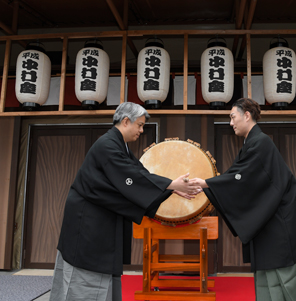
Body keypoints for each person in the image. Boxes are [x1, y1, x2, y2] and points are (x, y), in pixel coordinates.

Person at [50, 102, 201, 301]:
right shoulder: (108, 145)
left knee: (103, 272)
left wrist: (170, 188)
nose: (141, 130)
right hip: (88, 221)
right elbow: (130, 178)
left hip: (101, 217)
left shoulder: (119, 145)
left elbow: (139, 174)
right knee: (85, 276)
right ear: (126, 121)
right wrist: (171, 185)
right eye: (139, 125)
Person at [190, 98, 296, 300]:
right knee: (270, 272)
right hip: (270, 219)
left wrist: (207, 184)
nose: (231, 123)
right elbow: (239, 176)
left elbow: (242, 178)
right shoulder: (253, 143)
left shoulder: (260, 142)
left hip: (281, 221)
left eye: (232, 117)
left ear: (246, 115)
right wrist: (208, 185)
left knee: (288, 275)